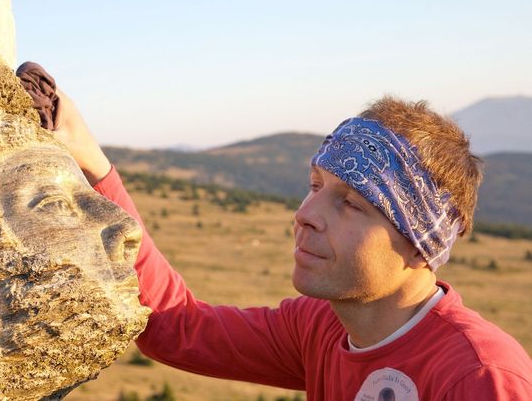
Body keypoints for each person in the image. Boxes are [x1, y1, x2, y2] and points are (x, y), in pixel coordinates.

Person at [53, 91, 532, 400]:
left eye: (350, 203)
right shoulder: (320, 329)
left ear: (417, 245)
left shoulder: (481, 378)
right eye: (315, 184)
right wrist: (95, 168)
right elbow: (176, 328)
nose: (305, 214)